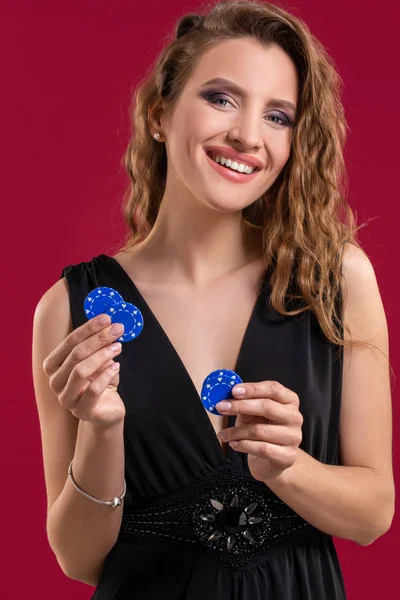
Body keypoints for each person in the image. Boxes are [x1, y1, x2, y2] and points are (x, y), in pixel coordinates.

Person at [32, 1, 394, 598]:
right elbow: (79, 558)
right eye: (222, 98)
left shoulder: (338, 278)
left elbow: (374, 513)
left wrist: (288, 466)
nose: (248, 136)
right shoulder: (69, 308)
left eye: (278, 116)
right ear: (159, 114)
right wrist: (100, 431)